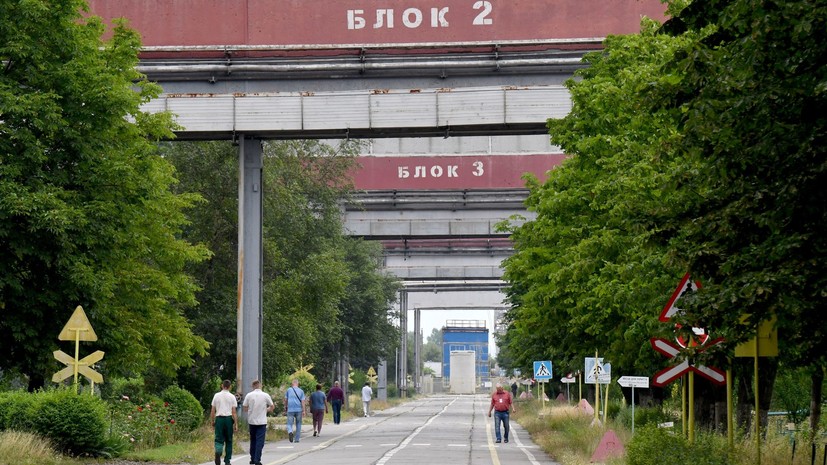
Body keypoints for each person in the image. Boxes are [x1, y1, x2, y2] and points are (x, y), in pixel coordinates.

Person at [242, 380, 274, 465]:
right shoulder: (265, 395)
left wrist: (250, 410)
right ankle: (257, 459)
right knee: (260, 441)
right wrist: (266, 410)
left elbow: (245, 407)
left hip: (252, 421)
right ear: (260, 385)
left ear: (253, 386)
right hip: (262, 421)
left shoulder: (249, 395)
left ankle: (252, 458)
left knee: (253, 440)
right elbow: (272, 406)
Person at [210, 379, 238, 465]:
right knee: (229, 440)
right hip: (229, 419)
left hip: (219, 419)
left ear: (222, 386)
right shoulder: (232, 397)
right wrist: (236, 424)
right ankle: (227, 461)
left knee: (219, 438)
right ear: (230, 387)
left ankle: (218, 451)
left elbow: (213, 410)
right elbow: (234, 412)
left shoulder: (216, 395)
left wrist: (212, 421)